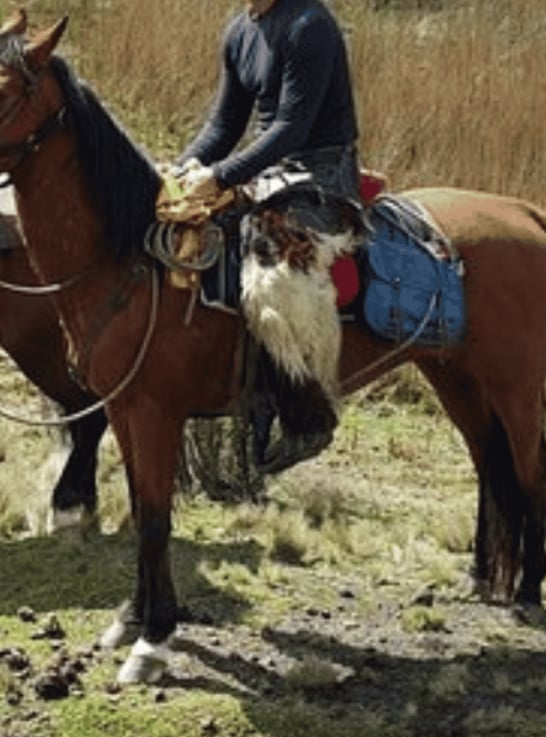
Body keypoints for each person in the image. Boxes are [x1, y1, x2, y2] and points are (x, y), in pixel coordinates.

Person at [176, 0, 362, 476]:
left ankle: (308, 418)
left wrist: (218, 177)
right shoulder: (241, 30)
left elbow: (291, 127)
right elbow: (223, 126)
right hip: (269, 172)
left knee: (271, 276)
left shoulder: (309, 26)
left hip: (321, 173)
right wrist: (179, 172)